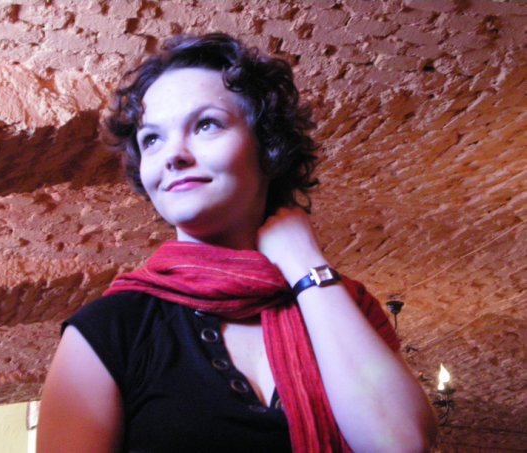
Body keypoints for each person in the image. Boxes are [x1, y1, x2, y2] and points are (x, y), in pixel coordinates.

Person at [37, 33, 437, 453]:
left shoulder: (342, 303)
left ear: (267, 146)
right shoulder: (109, 329)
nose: (173, 155)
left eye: (205, 124)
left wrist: (304, 263)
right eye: (152, 139)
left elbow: (402, 444)